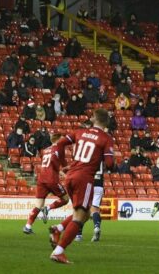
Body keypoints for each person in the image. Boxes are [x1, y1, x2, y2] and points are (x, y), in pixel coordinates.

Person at [47, 108, 114, 264]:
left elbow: (59, 144)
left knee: (85, 213)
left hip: (70, 176)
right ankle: (59, 251)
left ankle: (59, 229)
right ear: (106, 122)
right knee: (80, 216)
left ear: (93, 119)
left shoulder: (79, 132)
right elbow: (109, 164)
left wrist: (64, 164)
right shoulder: (106, 138)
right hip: (84, 178)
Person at [24, 134, 69, 234]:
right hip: (51, 179)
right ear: (58, 140)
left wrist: (60, 172)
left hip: (42, 179)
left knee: (38, 205)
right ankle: (47, 209)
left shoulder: (46, 150)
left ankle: (27, 226)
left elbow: (51, 164)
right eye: (62, 139)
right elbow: (65, 165)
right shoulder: (59, 148)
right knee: (65, 199)